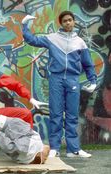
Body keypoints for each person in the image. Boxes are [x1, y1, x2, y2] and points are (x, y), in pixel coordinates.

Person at [22, 11, 97, 158]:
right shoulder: (52, 39)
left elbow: (88, 64)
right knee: (55, 113)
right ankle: (55, 148)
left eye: (70, 20)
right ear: (61, 24)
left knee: (72, 115)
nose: (68, 23)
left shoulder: (80, 42)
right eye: (65, 21)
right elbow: (32, 40)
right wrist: (24, 25)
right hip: (56, 79)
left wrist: (93, 80)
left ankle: (73, 149)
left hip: (73, 80)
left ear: (74, 21)